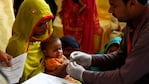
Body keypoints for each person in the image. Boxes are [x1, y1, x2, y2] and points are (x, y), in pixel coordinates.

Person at [66, 0, 149, 84]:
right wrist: (91, 59)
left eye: (114, 5)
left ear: (132, 3)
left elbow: (125, 77)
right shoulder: (134, 19)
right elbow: (121, 55)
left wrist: (83, 75)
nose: (110, 10)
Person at [6, 0, 53, 82]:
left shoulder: (41, 39)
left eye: (47, 21)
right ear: (28, 23)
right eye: (40, 24)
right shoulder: (17, 45)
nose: (46, 27)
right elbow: (15, 78)